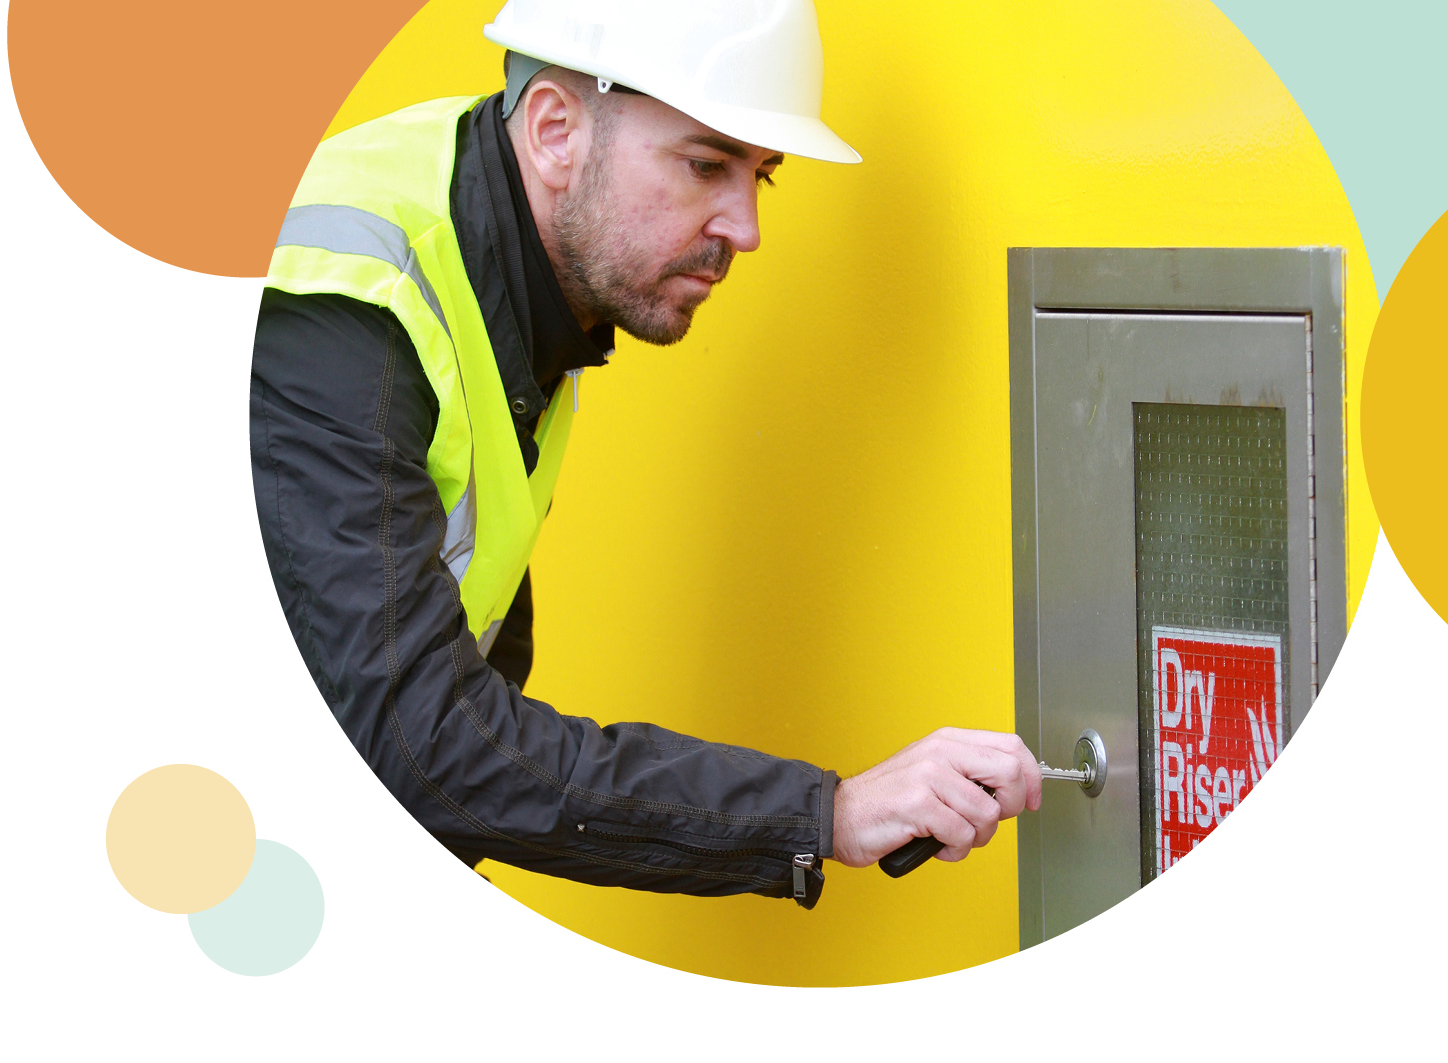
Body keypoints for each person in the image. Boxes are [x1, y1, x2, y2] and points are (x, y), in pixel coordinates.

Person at [250, 0, 1041, 909]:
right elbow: (417, 734)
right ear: (554, 130)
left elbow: (467, 632)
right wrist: (826, 813)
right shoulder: (354, 300)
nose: (744, 229)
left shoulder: (519, 265)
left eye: (761, 176)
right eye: (705, 164)